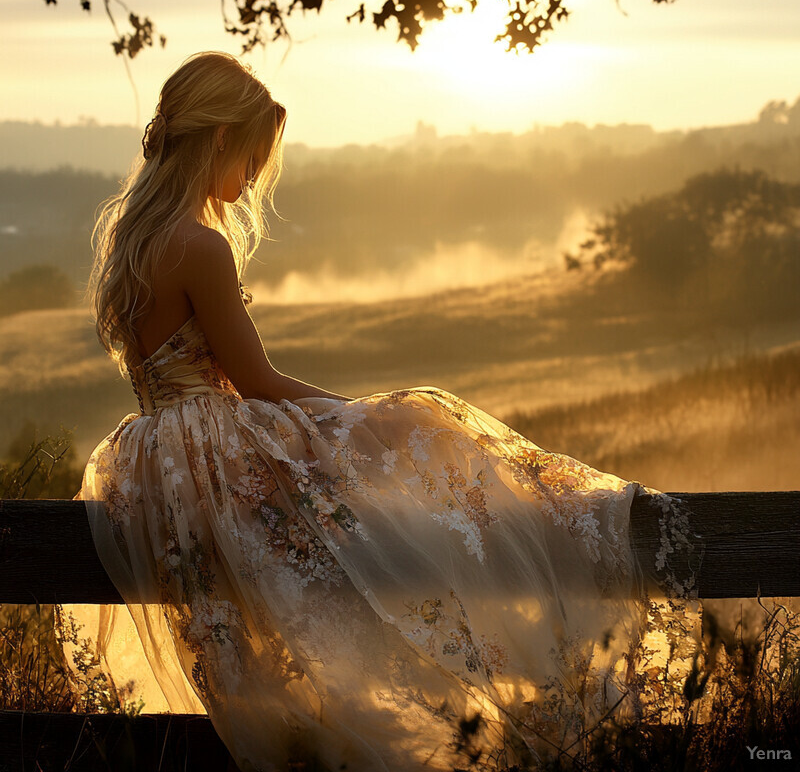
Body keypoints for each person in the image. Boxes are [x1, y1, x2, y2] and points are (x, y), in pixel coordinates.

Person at [54, 51, 692, 772]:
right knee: (418, 426)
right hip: (213, 445)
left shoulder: (127, 242)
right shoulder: (200, 247)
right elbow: (255, 380)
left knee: (274, 637)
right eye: (254, 156)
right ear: (221, 138)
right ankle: (501, 630)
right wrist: (359, 414)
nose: (256, 179)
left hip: (153, 466)